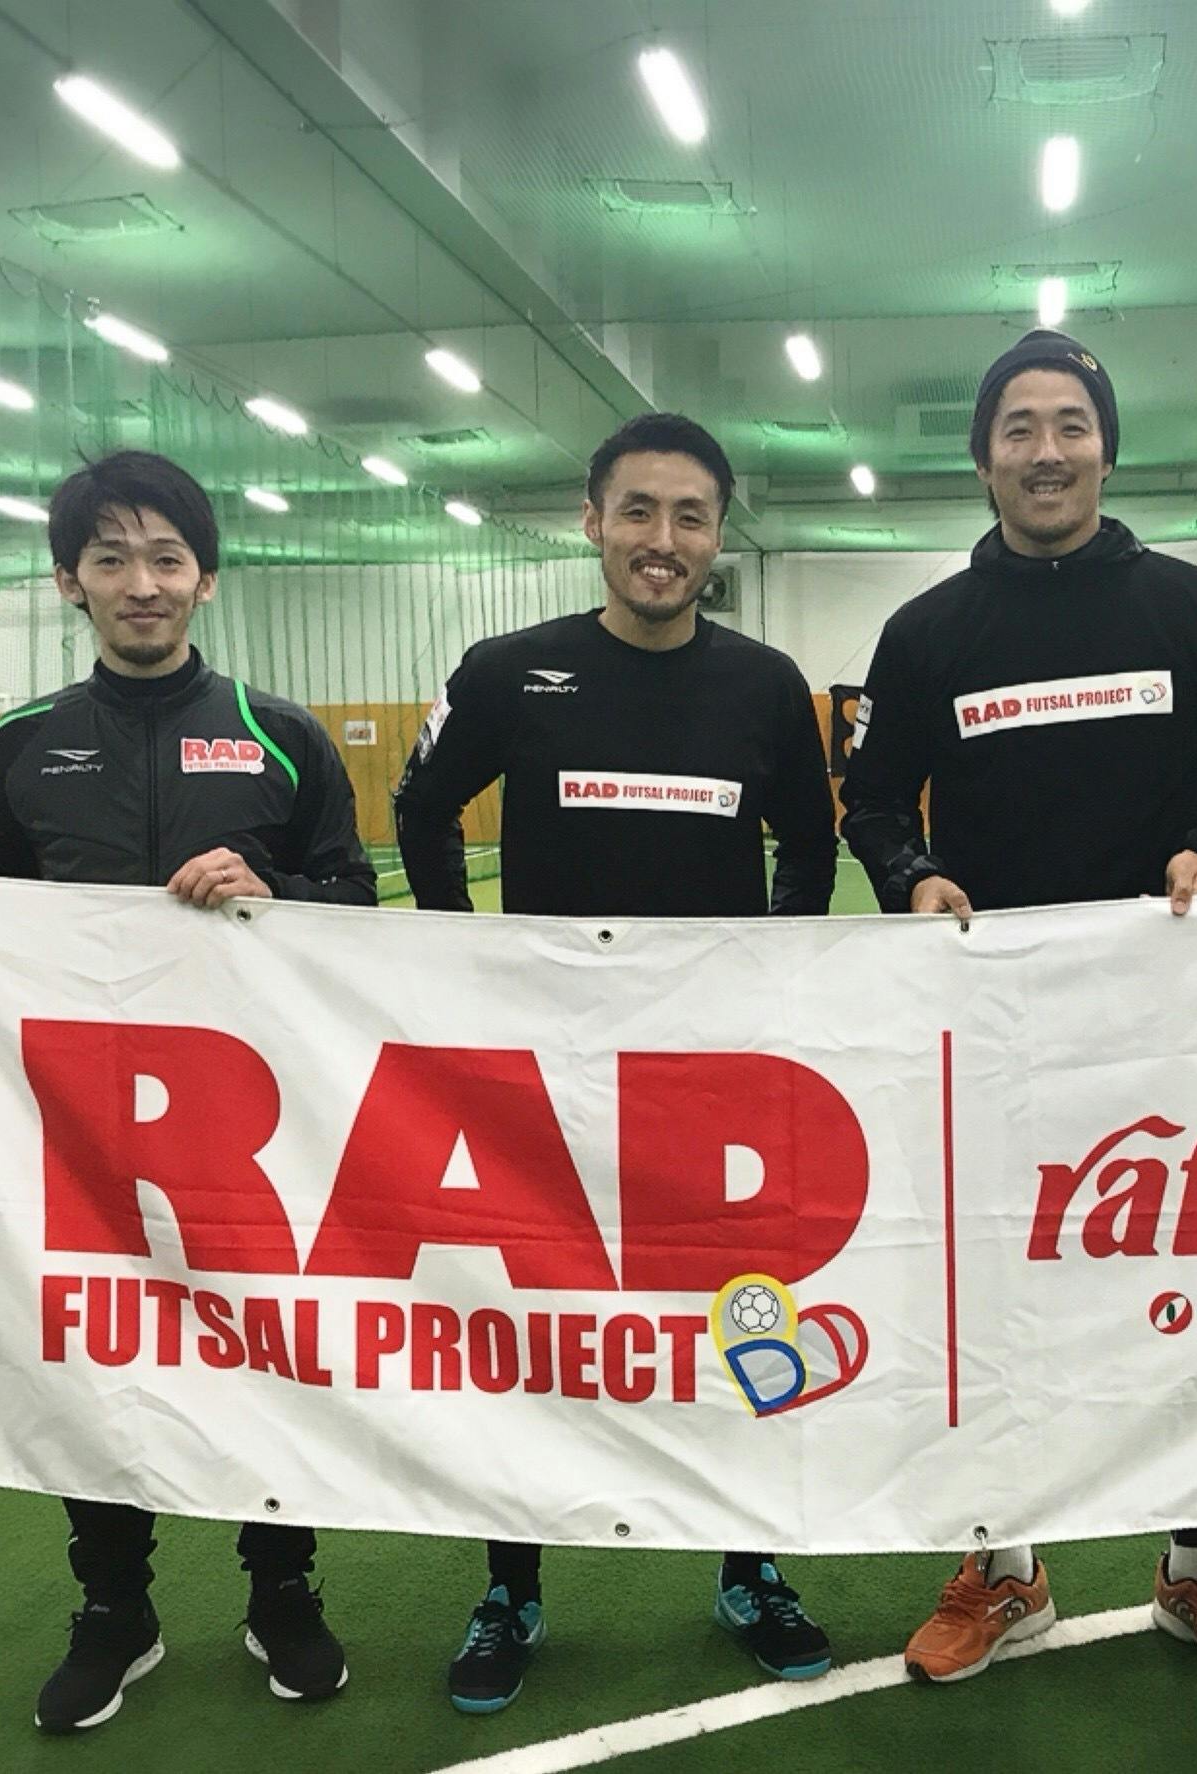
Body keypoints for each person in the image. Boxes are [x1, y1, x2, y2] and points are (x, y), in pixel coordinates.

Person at [0, 450, 374, 1733]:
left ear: (206, 578)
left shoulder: (280, 735)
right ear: (69, 580)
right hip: (78, 1127)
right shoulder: (27, 742)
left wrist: (274, 888)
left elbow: (355, 901)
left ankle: (282, 1589)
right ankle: (114, 1608)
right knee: (95, 1350)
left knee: (265, 1348)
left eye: (167, 558)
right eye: (112, 558)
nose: (143, 583)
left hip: (256, 1127)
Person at [839, 331, 1197, 1692]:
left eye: (1071, 424)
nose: (1047, 451)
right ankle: (1005, 1564)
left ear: (1107, 446)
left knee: (1185, 1289)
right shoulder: (925, 634)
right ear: (982, 457)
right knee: (997, 1296)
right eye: (1020, 428)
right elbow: (872, 801)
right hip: (993, 1029)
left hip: (1170, 1017)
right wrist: (913, 877)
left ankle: (1194, 1564)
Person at [393, 412, 840, 1711]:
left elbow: (811, 846)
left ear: (717, 533)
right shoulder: (508, 671)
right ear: (592, 521)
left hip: (714, 1081)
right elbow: (423, 806)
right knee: (528, 1325)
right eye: (637, 510)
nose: (662, 538)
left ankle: (751, 1565)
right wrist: (469, 955)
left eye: (689, 515)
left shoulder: (766, 684)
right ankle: (511, 1585)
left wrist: (766, 978)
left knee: (743, 1309)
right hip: (547, 1075)